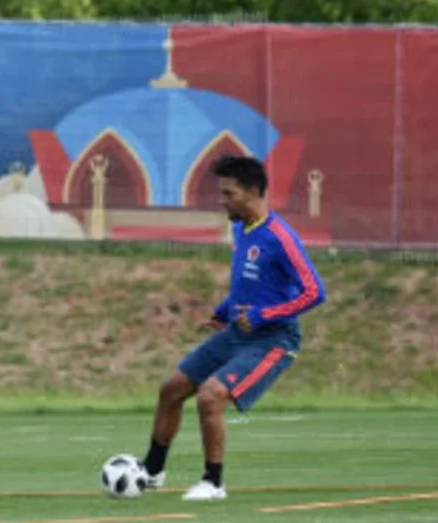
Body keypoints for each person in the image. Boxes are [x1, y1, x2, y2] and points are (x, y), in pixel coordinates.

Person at [140, 153, 327, 501]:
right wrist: (224, 311)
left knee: (210, 397)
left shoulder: (281, 238)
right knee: (172, 388)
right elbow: (248, 284)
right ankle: (151, 472)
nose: (221, 200)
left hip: (273, 340)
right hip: (237, 332)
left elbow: (315, 292)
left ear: (253, 192)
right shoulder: (241, 228)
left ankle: (213, 483)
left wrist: (261, 316)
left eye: (228, 194)